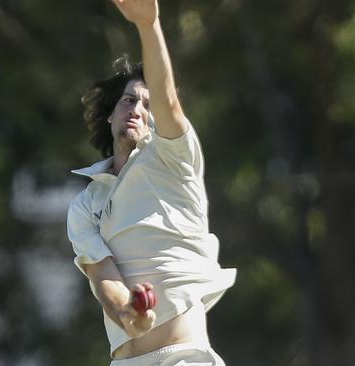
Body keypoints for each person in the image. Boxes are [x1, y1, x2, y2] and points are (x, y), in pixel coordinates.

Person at [67, 0, 236, 365]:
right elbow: (103, 278)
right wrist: (129, 312)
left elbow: (169, 103)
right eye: (129, 100)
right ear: (111, 114)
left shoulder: (173, 158)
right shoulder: (86, 203)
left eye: (147, 105)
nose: (138, 110)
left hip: (184, 359)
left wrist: (148, 24)